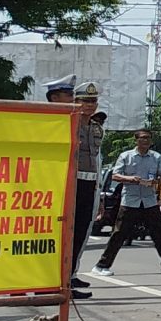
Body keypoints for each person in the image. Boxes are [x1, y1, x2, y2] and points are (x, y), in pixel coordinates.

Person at [45, 77, 103, 298]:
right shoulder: (67, 122)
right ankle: (58, 280)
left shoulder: (97, 128)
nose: (89, 105)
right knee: (64, 232)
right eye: (84, 101)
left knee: (80, 231)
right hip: (68, 182)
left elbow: (97, 160)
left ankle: (68, 276)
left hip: (89, 183)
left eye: (93, 101)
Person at [97, 132, 161, 273]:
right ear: (136, 140)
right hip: (130, 200)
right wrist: (130, 179)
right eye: (142, 138)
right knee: (119, 234)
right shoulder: (126, 156)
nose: (145, 141)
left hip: (149, 200)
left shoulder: (156, 157)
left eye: (148, 138)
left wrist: (156, 181)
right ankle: (102, 265)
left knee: (159, 233)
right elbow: (115, 175)